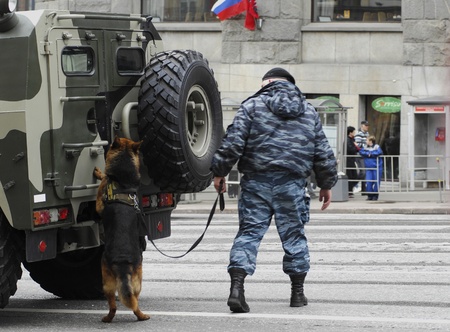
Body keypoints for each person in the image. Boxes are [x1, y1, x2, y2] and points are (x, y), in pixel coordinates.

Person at [210, 67, 338, 313]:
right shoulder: (309, 112)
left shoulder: (252, 107)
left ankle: (237, 288)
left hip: (256, 183)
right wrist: (326, 184)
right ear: (290, 84)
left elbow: (233, 143)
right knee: (294, 237)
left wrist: (219, 172)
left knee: (248, 235)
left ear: (266, 83)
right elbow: (322, 152)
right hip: (292, 185)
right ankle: (297, 294)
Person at [359, 135, 383, 201]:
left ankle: (375, 195)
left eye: (367, 140)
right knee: (368, 181)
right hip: (369, 167)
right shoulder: (365, 147)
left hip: (377, 167)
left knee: (376, 182)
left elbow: (379, 152)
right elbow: (361, 152)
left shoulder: (376, 146)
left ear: (370, 141)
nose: (366, 141)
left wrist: (370, 154)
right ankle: (370, 195)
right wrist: (368, 154)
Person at [354, 120, 370, 193]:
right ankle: (353, 184)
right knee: (363, 172)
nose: (367, 127)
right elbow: (358, 145)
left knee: (365, 172)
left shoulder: (367, 133)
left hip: (365, 155)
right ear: (362, 126)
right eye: (366, 125)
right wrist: (366, 145)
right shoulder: (358, 134)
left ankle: (364, 189)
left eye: (368, 125)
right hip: (360, 155)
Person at [346, 126, 360, 197]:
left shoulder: (352, 139)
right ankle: (349, 191)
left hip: (351, 159)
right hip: (348, 160)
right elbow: (351, 149)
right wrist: (355, 147)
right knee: (351, 175)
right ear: (350, 133)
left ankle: (350, 191)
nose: (355, 133)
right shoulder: (348, 140)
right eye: (354, 132)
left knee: (354, 175)